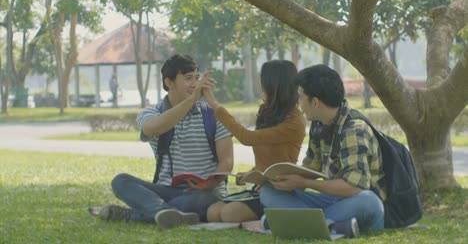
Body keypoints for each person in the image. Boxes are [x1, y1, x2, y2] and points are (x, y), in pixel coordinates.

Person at [92, 54, 234, 229]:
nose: (194, 84)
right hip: (165, 191)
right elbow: (153, 129)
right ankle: (166, 212)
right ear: (169, 82)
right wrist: (191, 101)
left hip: (203, 193)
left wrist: (209, 184)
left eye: (197, 78)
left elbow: (227, 161)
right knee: (121, 181)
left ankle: (141, 214)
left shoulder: (214, 115)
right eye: (188, 78)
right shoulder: (150, 113)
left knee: (201, 199)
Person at [259, 64, 386, 238]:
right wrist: (280, 179)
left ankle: (304, 223)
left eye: (301, 97)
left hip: (356, 201)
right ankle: (333, 226)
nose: (299, 103)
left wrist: (304, 184)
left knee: (369, 202)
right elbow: (311, 168)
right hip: (332, 200)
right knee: (269, 192)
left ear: (315, 102)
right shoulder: (319, 124)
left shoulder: (354, 129)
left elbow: (353, 187)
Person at [203, 60, 306, 223]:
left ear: (274, 85)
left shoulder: (295, 121)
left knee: (229, 214)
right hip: (260, 187)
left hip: (280, 190)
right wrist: (249, 175)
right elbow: (265, 160)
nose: (261, 86)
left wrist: (213, 103)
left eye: (263, 82)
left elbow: (247, 138)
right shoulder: (266, 111)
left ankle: (269, 219)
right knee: (212, 212)